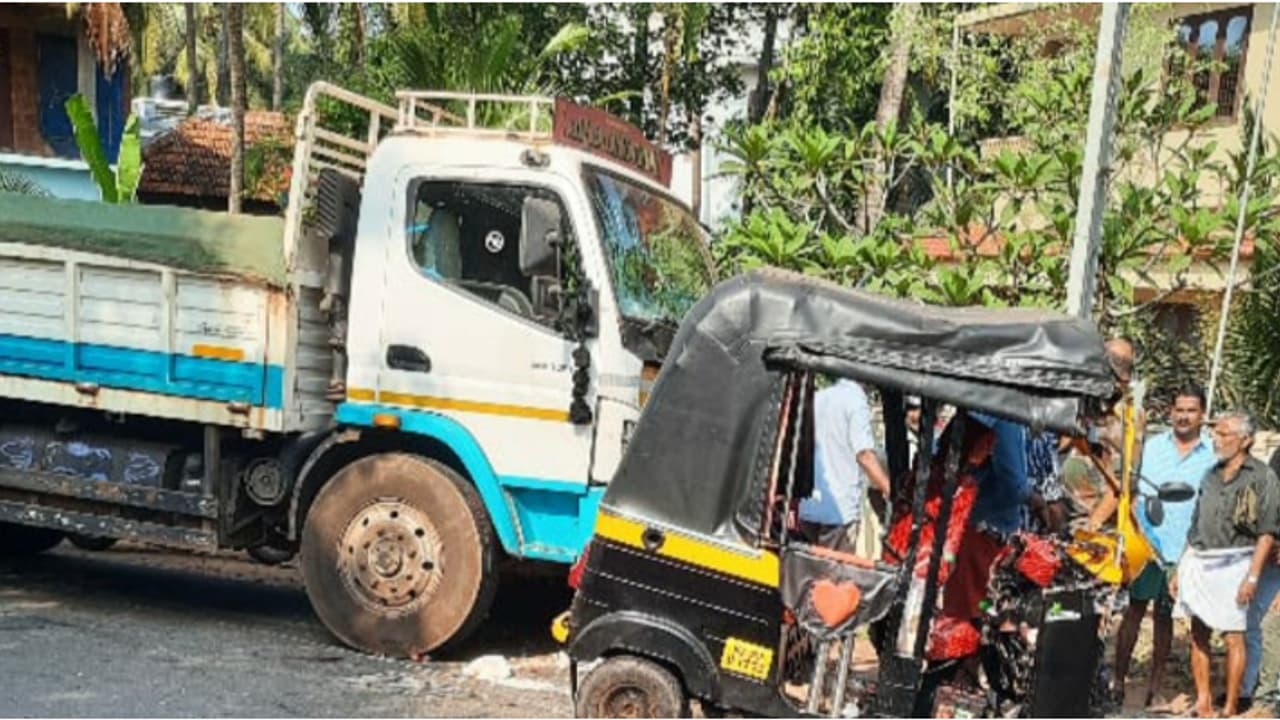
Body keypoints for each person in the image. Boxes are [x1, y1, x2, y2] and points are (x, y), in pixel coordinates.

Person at [1171, 411, 1280, 718]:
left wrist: (1253, 578)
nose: (1216, 440)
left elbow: (1267, 533)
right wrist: (1181, 566)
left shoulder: (1262, 477)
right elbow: (1196, 527)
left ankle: (1232, 704)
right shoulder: (1210, 475)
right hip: (1202, 559)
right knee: (1198, 632)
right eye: (1215, 433)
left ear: (1245, 440)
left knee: (1234, 635)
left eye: (1224, 434)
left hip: (1236, 561)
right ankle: (1203, 700)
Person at [1112, 385, 1216, 708]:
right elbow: (1131, 492)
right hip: (1146, 546)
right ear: (1170, 412)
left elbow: (1208, 507)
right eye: (1179, 410)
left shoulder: (1211, 457)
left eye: (1191, 410)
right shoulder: (1152, 447)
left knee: (1164, 618)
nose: (1184, 416)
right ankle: (1117, 678)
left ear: (1202, 415)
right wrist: (1138, 531)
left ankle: (1155, 686)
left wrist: (1190, 550)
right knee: (1133, 611)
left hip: (1183, 551)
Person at [799, 378, 891, 552]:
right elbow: (864, 454)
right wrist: (890, 491)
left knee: (810, 573)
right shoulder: (856, 401)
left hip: (808, 507)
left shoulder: (819, 398)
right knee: (835, 576)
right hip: (839, 511)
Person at [1238, 443, 1280, 708]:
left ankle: (1268, 696)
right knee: (1252, 621)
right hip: (1271, 556)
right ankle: (1248, 690)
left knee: (1270, 626)